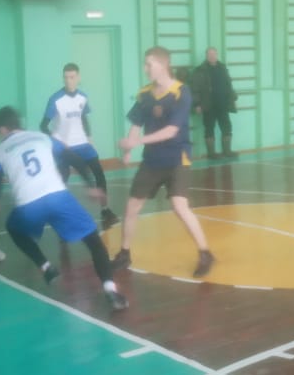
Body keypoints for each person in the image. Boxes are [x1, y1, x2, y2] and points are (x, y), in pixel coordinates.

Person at [0, 107, 128, 310]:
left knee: (13, 227)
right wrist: (90, 185)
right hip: (58, 197)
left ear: (2, 129)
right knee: (94, 242)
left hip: (28, 205)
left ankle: (45, 266)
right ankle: (111, 291)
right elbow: (75, 159)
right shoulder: (42, 138)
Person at [112, 46, 215, 278]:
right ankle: (124, 253)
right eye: (145, 64)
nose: (145, 68)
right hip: (152, 160)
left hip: (177, 158)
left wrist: (137, 142)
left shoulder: (181, 92)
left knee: (179, 206)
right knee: (131, 207)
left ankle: (205, 253)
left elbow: (171, 131)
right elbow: (136, 124)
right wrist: (128, 148)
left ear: (163, 65)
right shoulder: (145, 94)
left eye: (149, 64)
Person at [40, 63, 120, 229]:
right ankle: (58, 214)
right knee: (62, 179)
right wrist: (57, 141)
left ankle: (105, 210)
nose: (68, 81)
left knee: (99, 174)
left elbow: (83, 118)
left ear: (78, 77)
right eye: (65, 77)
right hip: (64, 147)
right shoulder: (55, 99)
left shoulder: (83, 97)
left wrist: (89, 138)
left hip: (82, 143)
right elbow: (43, 126)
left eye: (72, 77)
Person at [190, 47, 238, 159]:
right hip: (208, 105)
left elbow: (229, 85)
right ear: (206, 56)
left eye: (214, 54)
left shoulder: (223, 68)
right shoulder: (199, 70)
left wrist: (233, 100)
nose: (212, 56)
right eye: (209, 54)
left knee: (227, 127)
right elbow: (194, 88)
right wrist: (197, 104)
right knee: (209, 128)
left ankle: (227, 151)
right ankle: (211, 154)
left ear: (217, 55)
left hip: (223, 104)